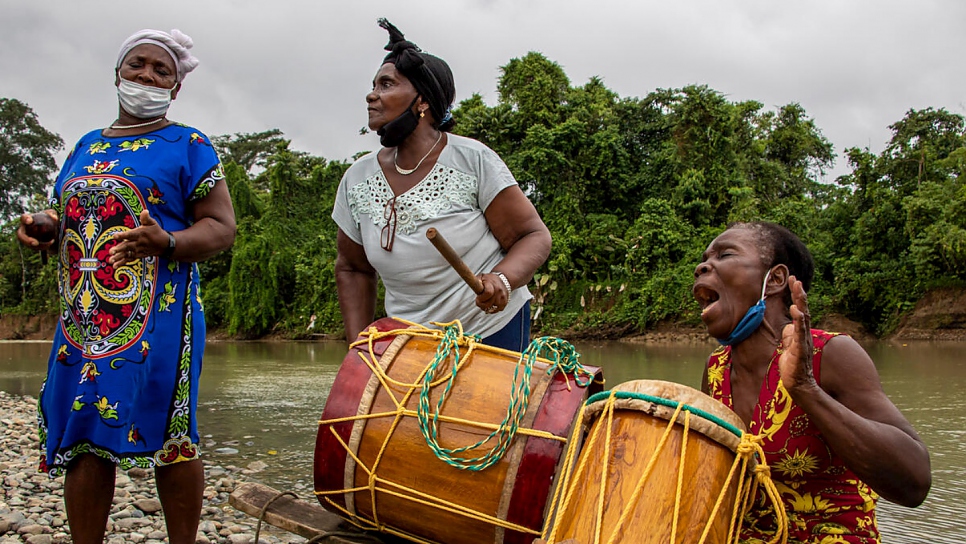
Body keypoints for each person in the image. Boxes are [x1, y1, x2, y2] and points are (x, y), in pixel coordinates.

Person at [16, 29, 235, 544]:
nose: (147, 77)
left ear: (176, 88)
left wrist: (169, 241)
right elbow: (68, 213)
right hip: (85, 318)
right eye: (138, 65)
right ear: (117, 73)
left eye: (163, 72)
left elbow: (221, 228)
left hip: (159, 318)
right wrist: (46, 223)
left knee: (171, 432)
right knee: (86, 431)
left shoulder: (190, 145)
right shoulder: (86, 145)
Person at [692, 221, 930, 543]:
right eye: (706, 258)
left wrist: (806, 389)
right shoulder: (716, 369)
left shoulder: (830, 354)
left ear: (774, 279)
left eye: (724, 254)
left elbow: (914, 481)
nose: (703, 265)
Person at [332, 19, 551, 352]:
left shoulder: (472, 160)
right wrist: (361, 350)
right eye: (374, 84)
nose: (371, 94)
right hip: (407, 343)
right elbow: (353, 267)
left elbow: (533, 237)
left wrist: (501, 279)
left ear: (422, 101)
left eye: (387, 84)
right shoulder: (357, 178)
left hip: (488, 329)